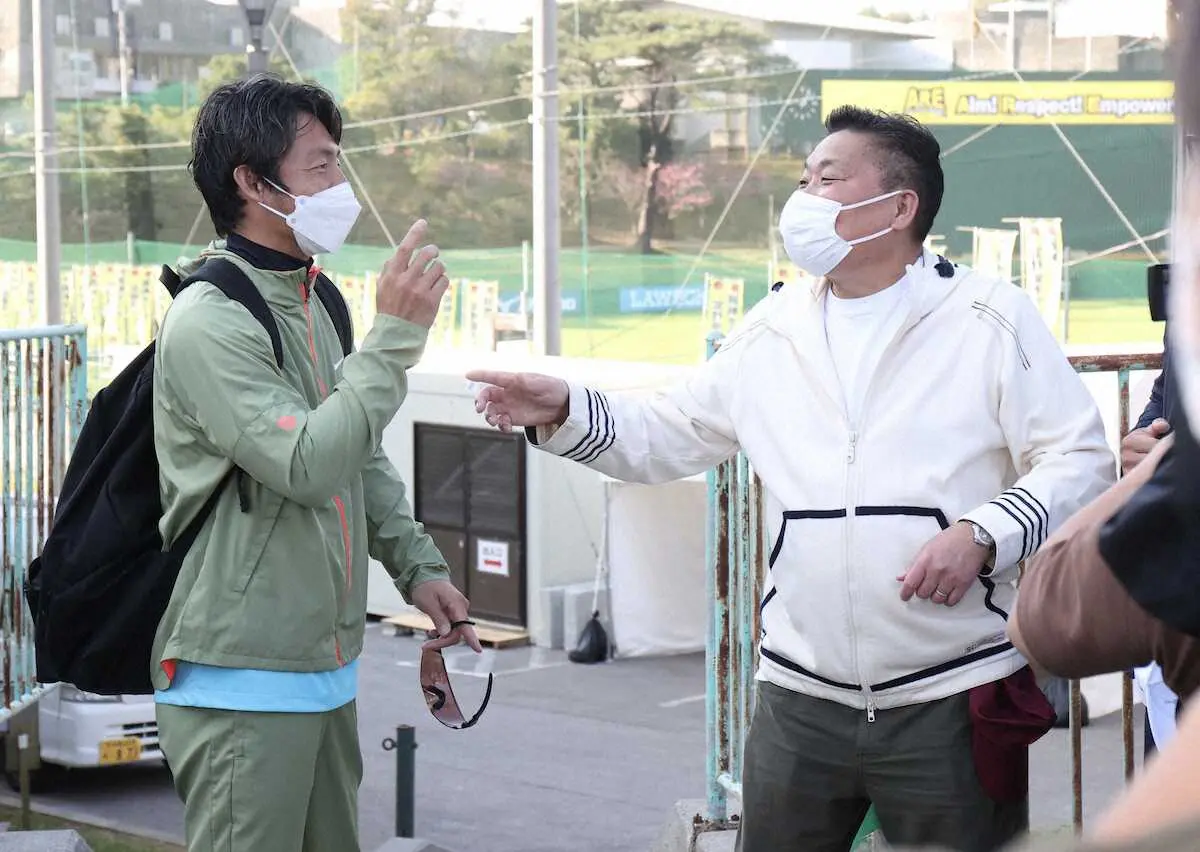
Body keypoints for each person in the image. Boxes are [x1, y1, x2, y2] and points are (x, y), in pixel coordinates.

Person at [467, 106, 1114, 852]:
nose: (802, 197)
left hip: (952, 692)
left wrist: (983, 534)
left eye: (828, 179)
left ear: (900, 206)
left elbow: (1079, 459)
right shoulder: (772, 330)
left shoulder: (990, 318)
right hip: (798, 700)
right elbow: (670, 432)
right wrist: (566, 410)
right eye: (803, 179)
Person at [151, 74, 480, 852]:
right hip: (241, 673)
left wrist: (418, 566)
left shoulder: (314, 298)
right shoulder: (209, 318)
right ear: (252, 183)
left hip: (322, 670)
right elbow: (305, 464)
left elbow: (356, 455)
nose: (343, 185)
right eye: (322, 165)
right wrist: (395, 335)